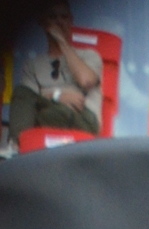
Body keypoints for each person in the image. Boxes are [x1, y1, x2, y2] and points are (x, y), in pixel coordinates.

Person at [6, 6, 102, 141]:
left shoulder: (89, 55)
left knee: (57, 113)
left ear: (71, 21)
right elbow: (26, 100)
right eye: (53, 17)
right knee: (21, 92)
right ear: (43, 23)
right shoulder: (33, 64)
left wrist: (62, 41)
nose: (59, 22)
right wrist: (57, 96)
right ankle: (18, 144)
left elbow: (86, 81)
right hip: (47, 113)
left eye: (64, 17)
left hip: (81, 117)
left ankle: (25, 141)